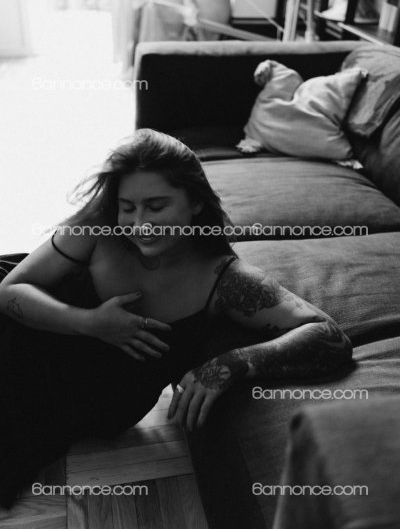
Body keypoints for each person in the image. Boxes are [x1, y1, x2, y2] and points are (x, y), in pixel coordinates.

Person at [0, 128, 352, 508]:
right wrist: (90, 323)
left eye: (156, 207)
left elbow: (327, 334)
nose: (139, 224)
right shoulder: (99, 226)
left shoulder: (225, 279)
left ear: (195, 202)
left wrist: (230, 364)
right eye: (128, 207)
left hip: (81, 404)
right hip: (19, 335)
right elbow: (11, 289)